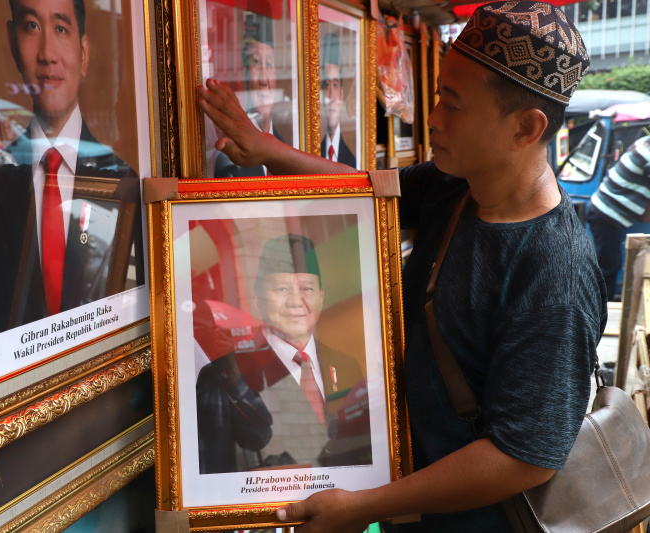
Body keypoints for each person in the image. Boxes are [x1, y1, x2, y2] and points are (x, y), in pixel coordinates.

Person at [197, 1, 607, 531]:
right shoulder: (456, 186)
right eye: (438, 95)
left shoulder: (555, 270)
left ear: (526, 128)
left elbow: (524, 457)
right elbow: (366, 190)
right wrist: (266, 149)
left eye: (453, 105)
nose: (433, 117)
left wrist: (365, 506)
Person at [0, 0, 143, 345]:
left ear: (83, 53)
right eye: (31, 27)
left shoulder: (126, 185)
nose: (47, 54)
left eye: (60, 29)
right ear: (13, 43)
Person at [195, 234, 370, 474]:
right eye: (281, 288)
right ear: (258, 299)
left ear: (321, 296)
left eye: (307, 288)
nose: (296, 302)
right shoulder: (238, 367)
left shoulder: (346, 364)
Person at [214, 11, 288, 177]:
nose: (264, 80)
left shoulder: (287, 148)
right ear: (244, 74)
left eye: (268, 64)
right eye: (256, 63)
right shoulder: (230, 158)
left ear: (276, 73)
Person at [586, 135, 650, 300]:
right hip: (606, 214)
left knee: (608, 263)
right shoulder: (646, 155)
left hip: (607, 212)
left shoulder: (643, 142)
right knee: (608, 267)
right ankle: (601, 307)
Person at [320, 32, 356, 168]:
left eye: (335, 85)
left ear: (341, 94)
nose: (331, 96)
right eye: (326, 85)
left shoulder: (352, 159)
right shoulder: (313, 152)